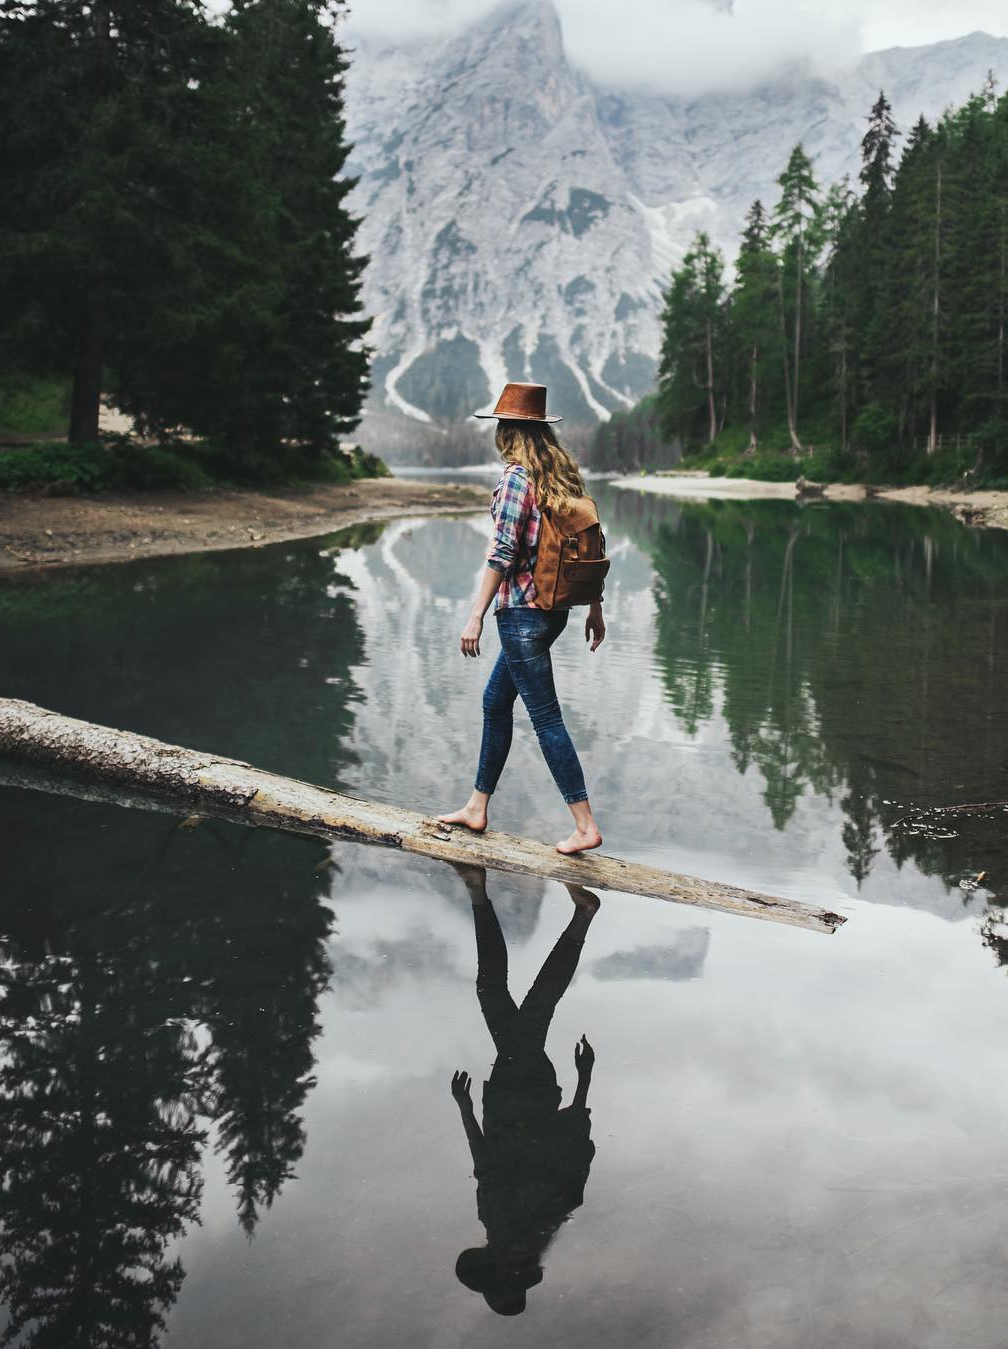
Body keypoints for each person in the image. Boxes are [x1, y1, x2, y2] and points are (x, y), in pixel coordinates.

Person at [439, 382, 605, 855]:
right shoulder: (562, 477)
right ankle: (477, 807)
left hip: (522, 617)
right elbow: (590, 548)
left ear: (507, 431)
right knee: (495, 702)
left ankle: (584, 825)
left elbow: (503, 553)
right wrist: (594, 609)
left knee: (546, 717)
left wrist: (475, 616)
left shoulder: (516, 479)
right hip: (553, 613)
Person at [449, 864, 599, 1317]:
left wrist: (583, 1080)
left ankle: (482, 892)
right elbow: (485, 1163)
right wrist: (465, 1108)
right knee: (501, 993)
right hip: (516, 1095)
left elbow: (573, 1150)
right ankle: (486, 893)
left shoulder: (545, 1221)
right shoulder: (510, 1224)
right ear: (497, 1267)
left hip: (532, 1093)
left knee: (523, 1000)